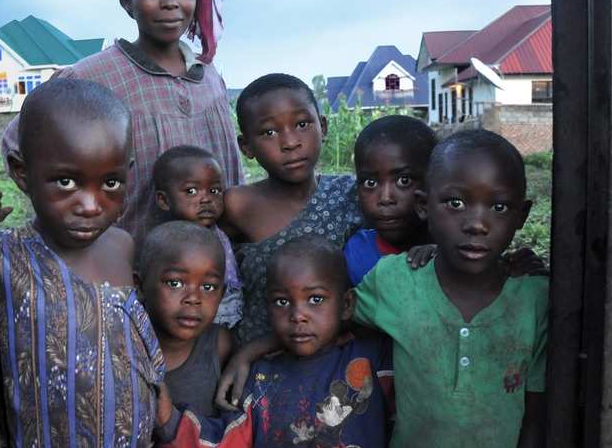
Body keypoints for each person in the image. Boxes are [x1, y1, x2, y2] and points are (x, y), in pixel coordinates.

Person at [1, 0, 243, 248]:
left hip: (207, 271)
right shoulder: (91, 76)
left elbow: (232, 173)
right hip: (127, 270)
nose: (170, 2)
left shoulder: (209, 78)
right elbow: (16, 140)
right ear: (128, 2)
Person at [0, 79, 165, 446]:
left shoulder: (122, 246)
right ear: (22, 173)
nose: (90, 205)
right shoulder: (4, 256)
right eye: (66, 182)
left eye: (111, 183)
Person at [354, 129, 548, 447]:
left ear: (521, 215)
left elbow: (535, 417)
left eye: (498, 208)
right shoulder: (395, 280)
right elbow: (326, 313)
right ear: (423, 206)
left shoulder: (536, 300)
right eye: (455, 203)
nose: (476, 224)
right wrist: (255, 349)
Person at [155, 236, 388, 447]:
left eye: (315, 299)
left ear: (346, 304)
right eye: (282, 302)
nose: (298, 315)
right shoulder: (260, 378)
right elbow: (227, 441)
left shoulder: (373, 357)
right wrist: (170, 419)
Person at [222, 73, 362, 346]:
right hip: (257, 368)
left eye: (301, 124)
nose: (290, 142)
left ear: (322, 126)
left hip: (336, 365)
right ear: (246, 146)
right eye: (269, 132)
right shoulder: (237, 205)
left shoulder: (351, 194)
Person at [138, 221, 232, 418]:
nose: (193, 299)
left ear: (222, 294)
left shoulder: (220, 346)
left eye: (208, 287)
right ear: (139, 285)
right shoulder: (125, 343)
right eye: (175, 283)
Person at [152, 146, 242, 328]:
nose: (206, 199)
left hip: (233, 313)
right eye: (192, 191)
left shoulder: (221, 231)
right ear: (164, 200)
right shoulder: (167, 241)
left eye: (215, 191)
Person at [344, 115, 437, 286]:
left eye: (404, 181)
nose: (385, 198)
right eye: (370, 183)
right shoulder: (354, 255)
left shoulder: (457, 251)